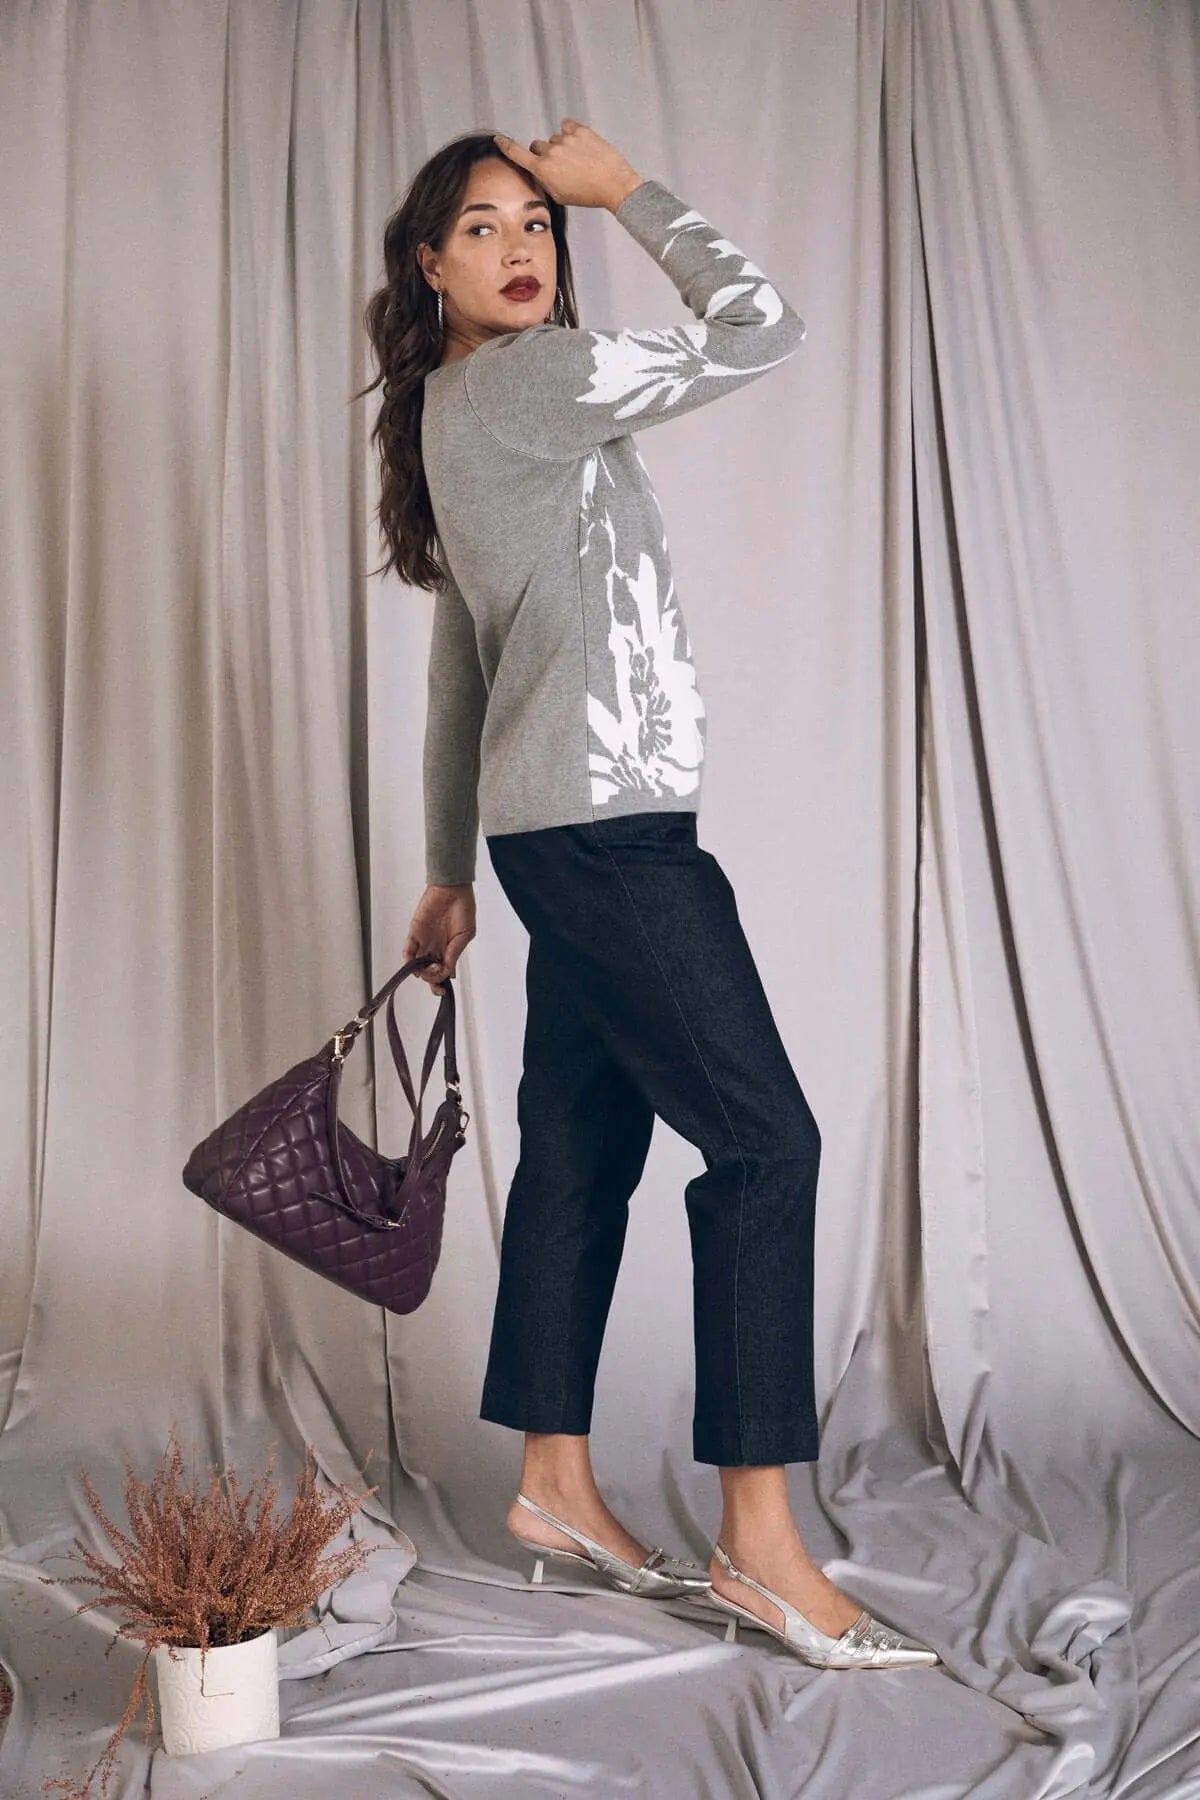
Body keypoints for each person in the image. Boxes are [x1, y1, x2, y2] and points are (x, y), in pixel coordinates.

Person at [359, 119, 937, 1670]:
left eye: (541, 219)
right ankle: (763, 1546)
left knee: (582, 1152)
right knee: (767, 1143)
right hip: (611, 836)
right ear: (428, 266)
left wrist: (449, 872)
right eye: (483, 227)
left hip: (554, 835)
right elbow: (764, 327)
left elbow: (462, 669)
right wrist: (627, 192)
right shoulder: (534, 382)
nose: (523, 244)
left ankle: (554, 1484)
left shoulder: (458, 410)